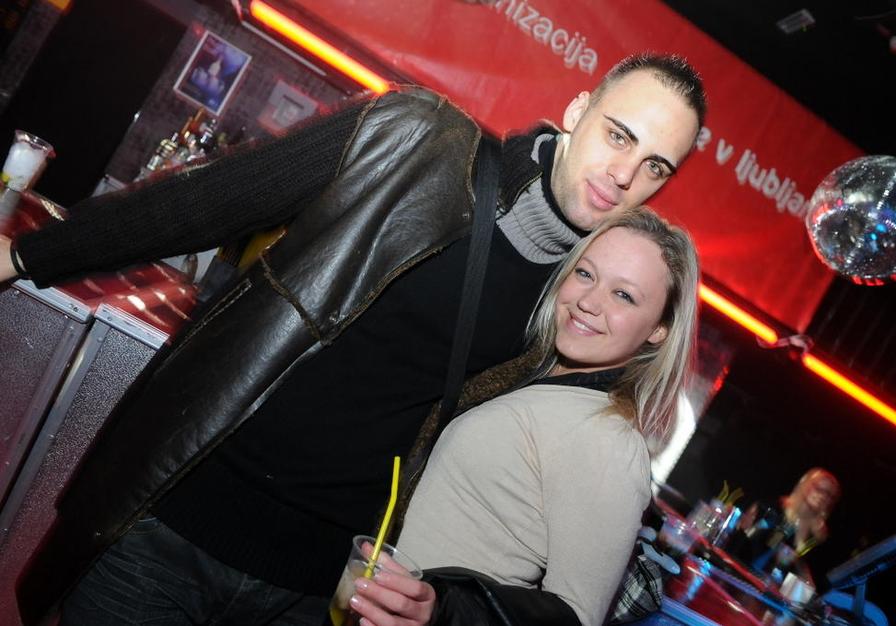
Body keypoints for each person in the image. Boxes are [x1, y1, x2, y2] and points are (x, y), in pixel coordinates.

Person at [0, 53, 705, 625]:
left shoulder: (572, 298)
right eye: (619, 135)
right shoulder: (420, 142)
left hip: (309, 589)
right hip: (178, 526)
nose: (624, 174)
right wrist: (26, 255)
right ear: (578, 111)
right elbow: (210, 199)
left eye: (655, 166)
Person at [346, 208, 700, 626]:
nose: (588, 302)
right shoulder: (526, 373)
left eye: (623, 295)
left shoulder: (610, 441)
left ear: (659, 329)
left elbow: (575, 618)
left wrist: (443, 610)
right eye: (585, 273)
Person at [726, 467, 842, 584]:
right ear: (804, 484)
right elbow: (742, 547)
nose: (823, 497)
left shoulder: (818, 537)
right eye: (819, 489)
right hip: (737, 577)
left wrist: (797, 563)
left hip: (772, 592)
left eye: (830, 496)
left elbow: (811, 584)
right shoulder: (771, 510)